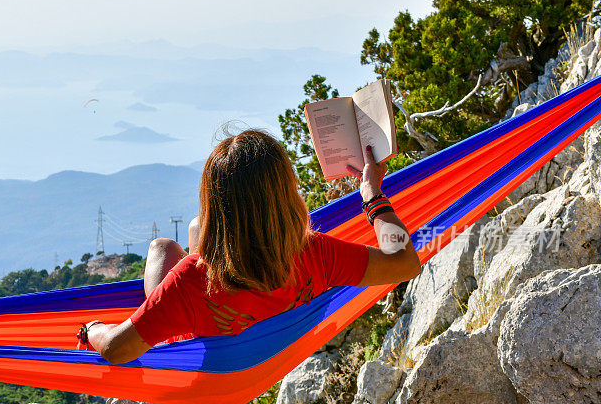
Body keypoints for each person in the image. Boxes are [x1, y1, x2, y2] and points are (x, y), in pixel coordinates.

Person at [79, 129, 421, 364]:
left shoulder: (190, 282)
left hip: (200, 353)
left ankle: (161, 317)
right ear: (286, 195)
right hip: (266, 348)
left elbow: (114, 349)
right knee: (197, 229)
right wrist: (372, 196)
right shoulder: (315, 254)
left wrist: (93, 328)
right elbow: (405, 262)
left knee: (162, 246)